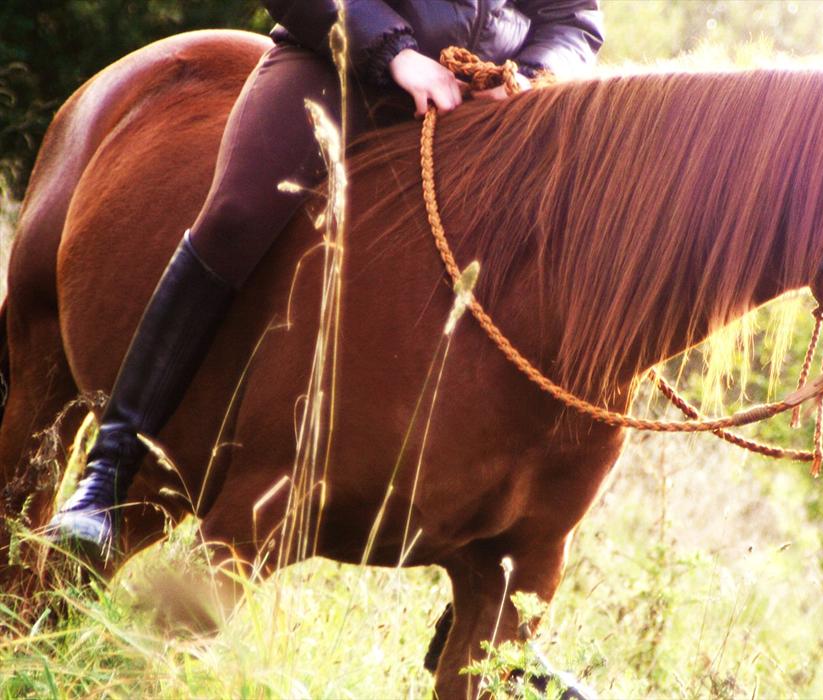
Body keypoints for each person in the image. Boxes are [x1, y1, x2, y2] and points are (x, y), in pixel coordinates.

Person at [49, 0, 604, 556]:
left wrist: (527, 76)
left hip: (489, 105)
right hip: (336, 69)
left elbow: (573, 18)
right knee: (235, 216)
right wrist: (396, 52)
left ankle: (496, 563)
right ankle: (109, 474)